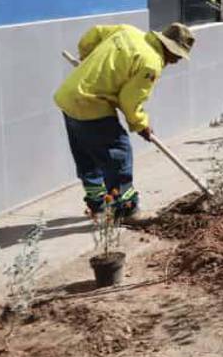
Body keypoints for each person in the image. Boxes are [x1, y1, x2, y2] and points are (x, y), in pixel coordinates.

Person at [54, 23, 195, 220]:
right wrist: (141, 125)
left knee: (87, 156)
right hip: (91, 103)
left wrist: (87, 58)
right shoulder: (150, 63)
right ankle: (126, 209)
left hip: (69, 98)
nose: (176, 61)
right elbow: (130, 101)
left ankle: (98, 206)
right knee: (120, 152)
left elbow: (93, 33)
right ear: (170, 48)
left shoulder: (127, 31)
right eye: (178, 56)